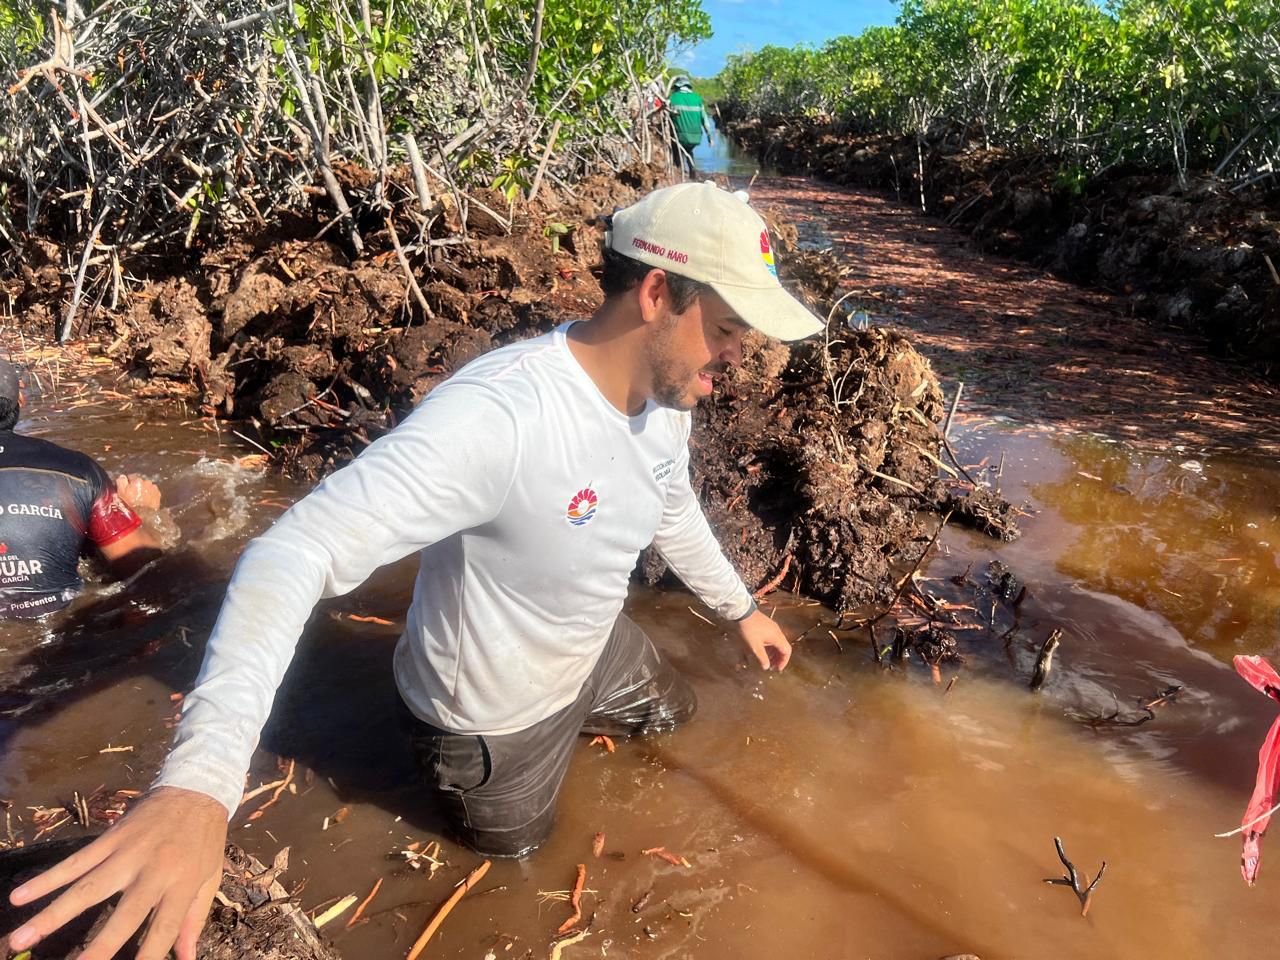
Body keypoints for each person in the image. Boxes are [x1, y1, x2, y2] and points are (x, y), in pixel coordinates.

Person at [4, 182, 825, 960]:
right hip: (490, 729)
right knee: (520, 860)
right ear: (656, 295)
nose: (739, 355)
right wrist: (200, 785)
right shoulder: (499, 417)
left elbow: (671, 502)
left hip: (590, 646)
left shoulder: (663, 400)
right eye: (725, 327)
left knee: (676, 712)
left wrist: (739, 608)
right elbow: (294, 552)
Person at [0, 360, 162, 618]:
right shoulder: (78, 470)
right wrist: (141, 511)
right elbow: (147, 566)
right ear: (20, 400)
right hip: (62, 635)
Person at [667, 76, 714, 178]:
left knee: (677, 152)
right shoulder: (697, 99)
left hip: (679, 136)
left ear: (677, 86)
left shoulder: (673, 98)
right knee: (688, 151)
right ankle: (692, 174)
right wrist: (710, 138)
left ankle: (678, 173)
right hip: (696, 137)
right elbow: (705, 120)